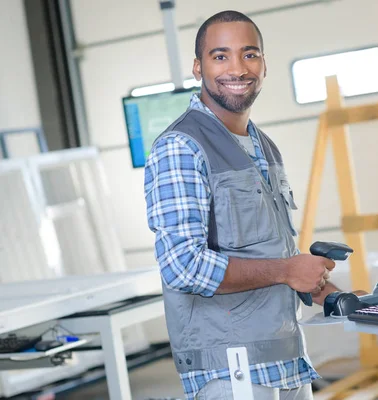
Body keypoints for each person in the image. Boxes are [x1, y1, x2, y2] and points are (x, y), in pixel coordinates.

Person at [144, 10, 351, 400]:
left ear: (264, 64)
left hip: (285, 357)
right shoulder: (181, 147)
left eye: (249, 54)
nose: (237, 68)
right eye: (220, 56)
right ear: (197, 67)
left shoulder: (264, 146)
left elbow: (263, 254)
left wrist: (314, 283)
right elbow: (183, 266)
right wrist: (287, 270)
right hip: (231, 369)